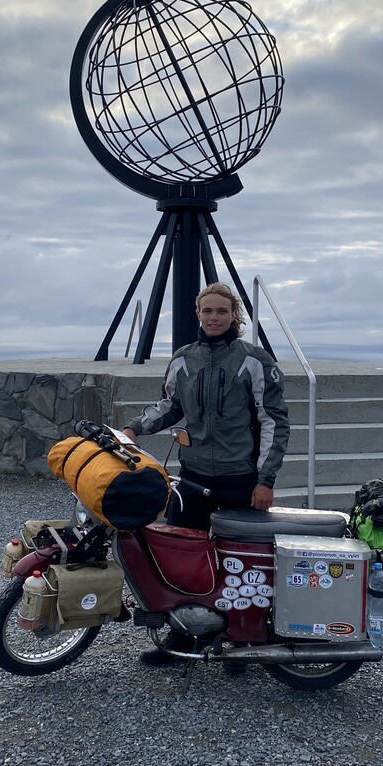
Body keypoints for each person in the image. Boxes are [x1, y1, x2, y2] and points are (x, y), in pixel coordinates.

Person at [122, 282, 290, 667]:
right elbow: (170, 404)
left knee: (244, 563)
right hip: (193, 477)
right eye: (207, 311)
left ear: (235, 316)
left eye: (222, 312)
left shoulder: (255, 361)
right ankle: (185, 636)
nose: (214, 318)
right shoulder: (184, 359)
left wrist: (266, 480)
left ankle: (246, 643)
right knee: (182, 558)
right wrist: (135, 428)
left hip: (241, 480)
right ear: (198, 314)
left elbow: (273, 421)